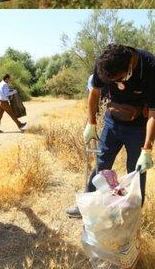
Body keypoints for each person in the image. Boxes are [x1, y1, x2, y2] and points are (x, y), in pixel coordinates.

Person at [65, 44, 155, 218]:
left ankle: (133, 214)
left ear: (129, 65)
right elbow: (95, 92)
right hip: (112, 121)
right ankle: (86, 206)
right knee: (101, 161)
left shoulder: (150, 68)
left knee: (136, 171)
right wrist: (91, 123)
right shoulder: (104, 63)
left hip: (139, 127)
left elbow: (153, 112)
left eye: (119, 79)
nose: (117, 85)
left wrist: (147, 148)